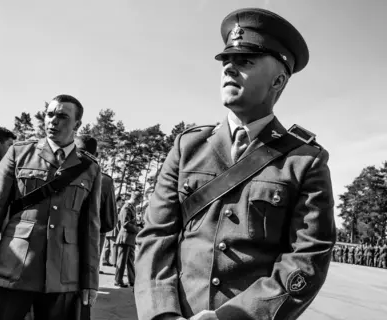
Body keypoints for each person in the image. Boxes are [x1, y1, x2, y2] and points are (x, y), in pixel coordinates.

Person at [134, 8, 336, 320]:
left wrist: (232, 317)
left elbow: (308, 258)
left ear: (278, 79)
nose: (229, 67)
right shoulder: (187, 147)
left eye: (245, 61)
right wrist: (161, 312)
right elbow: (155, 236)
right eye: (227, 60)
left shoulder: (305, 161)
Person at [0, 94, 102, 320]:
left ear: (77, 124)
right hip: (13, 269)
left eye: (62, 116)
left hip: (64, 275)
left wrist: (90, 281)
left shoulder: (90, 168)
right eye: (49, 114)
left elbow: (90, 228)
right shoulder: (19, 153)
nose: (52, 121)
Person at [74, 135, 118, 274]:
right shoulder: (105, 180)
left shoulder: (58, 172)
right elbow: (109, 220)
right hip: (93, 235)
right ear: (96, 155)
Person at [115, 191, 143, 288]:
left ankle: (132, 280)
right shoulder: (126, 207)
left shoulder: (131, 207)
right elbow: (125, 223)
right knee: (122, 261)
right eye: (139, 201)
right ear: (135, 199)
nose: (139, 203)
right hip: (125, 237)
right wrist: (137, 229)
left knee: (131, 260)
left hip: (130, 238)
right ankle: (118, 280)